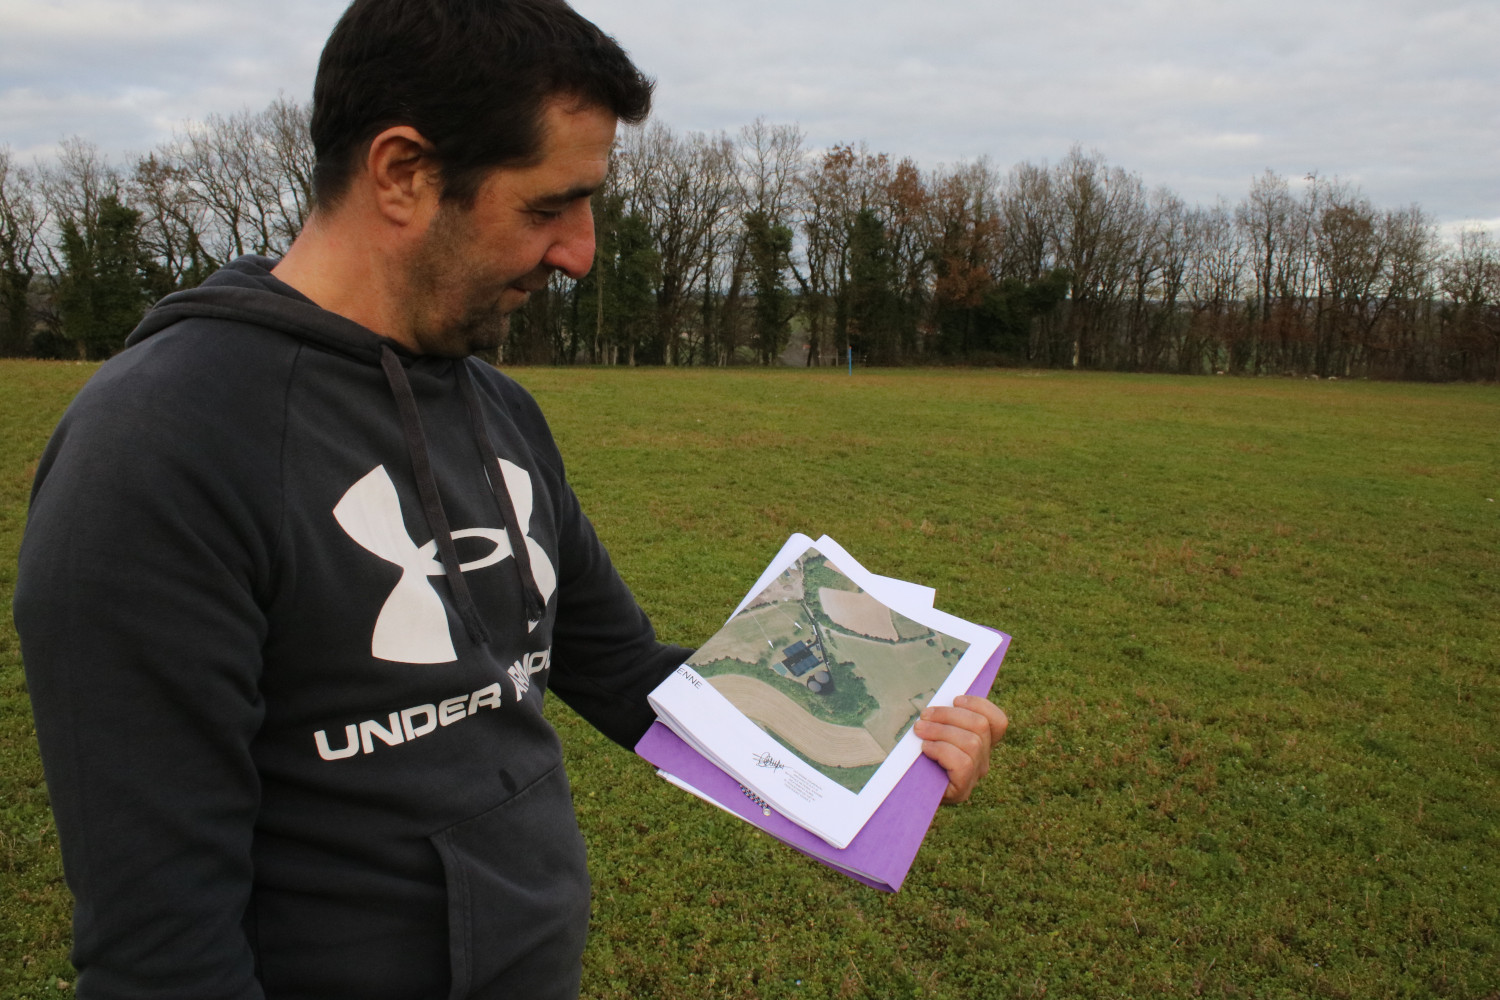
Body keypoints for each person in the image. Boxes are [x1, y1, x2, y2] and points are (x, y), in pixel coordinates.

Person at [14, 1, 1009, 997]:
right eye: (548, 206)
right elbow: (163, 955)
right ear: (404, 174)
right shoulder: (158, 453)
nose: (580, 252)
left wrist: (888, 750)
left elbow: (632, 677)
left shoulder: (499, 411)